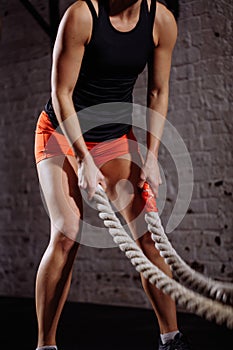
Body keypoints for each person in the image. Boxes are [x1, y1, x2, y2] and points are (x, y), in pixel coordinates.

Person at [34, 1, 191, 349]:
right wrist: (82, 160)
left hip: (114, 137)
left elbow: (158, 91)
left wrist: (151, 156)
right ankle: (46, 345)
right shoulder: (82, 16)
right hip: (61, 132)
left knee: (148, 236)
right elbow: (61, 93)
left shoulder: (160, 21)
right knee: (67, 233)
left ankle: (171, 339)